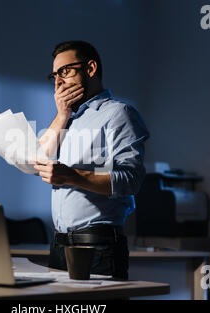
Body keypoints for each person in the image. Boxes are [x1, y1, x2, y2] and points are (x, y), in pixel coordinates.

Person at [34, 40, 149, 279]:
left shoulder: (119, 114)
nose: (58, 82)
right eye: (54, 75)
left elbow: (131, 180)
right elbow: (35, 160)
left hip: (98, 247)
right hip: (59, 246)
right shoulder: (68, 120)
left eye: (65, 71)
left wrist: (71, 176)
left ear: (91, 69)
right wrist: (62, 114)